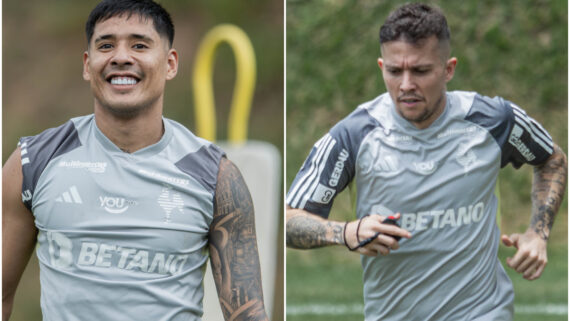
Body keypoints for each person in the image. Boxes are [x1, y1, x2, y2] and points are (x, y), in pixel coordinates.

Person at [286, 3, 567, 320]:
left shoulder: (492, 121)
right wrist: (346, 232)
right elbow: (288, 220)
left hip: (483, 312)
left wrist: (538, 233)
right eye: (394, 71)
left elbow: (552, 159)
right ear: (381, 66)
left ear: (449, 69)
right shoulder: (354, 135)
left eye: (420, 71)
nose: (406, 84)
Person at [2, 0, 268, 320]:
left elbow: (248, 316)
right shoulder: (33, 162)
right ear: (88, 65)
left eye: (139, 45)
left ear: (170, 64)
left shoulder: (216, 176)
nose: (121, 57)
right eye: (106, 45)